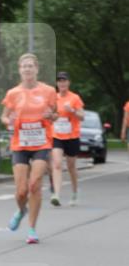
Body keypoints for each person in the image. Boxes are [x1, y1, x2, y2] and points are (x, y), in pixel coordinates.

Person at [1, 53, 56, 244]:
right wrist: (9, 121)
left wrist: (51, 116)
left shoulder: (49, 91)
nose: (27, 69)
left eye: (30, 66)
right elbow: (4, 116)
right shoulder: (13, 93)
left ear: (36, 69)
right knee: (21, 191)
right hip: (20, 144)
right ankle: (21, 210)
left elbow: (56, 114)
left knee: (35, 185)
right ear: (19, 70)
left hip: (42, 143)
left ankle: (32, 229)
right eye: (24, 66)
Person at [50, 71, 84, 206]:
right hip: (57, 136)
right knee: (57, 164)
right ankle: (56, 195)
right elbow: (50, 116)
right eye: (59, 81)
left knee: (71, 167)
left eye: (64, 80)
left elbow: (82, 116)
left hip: (72, 137)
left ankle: (75, 192)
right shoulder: (53, 98)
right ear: (57, 83)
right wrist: (52, 116)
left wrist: (72, 111)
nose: (62, 83)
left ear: (68, 82)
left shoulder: (75, 98)